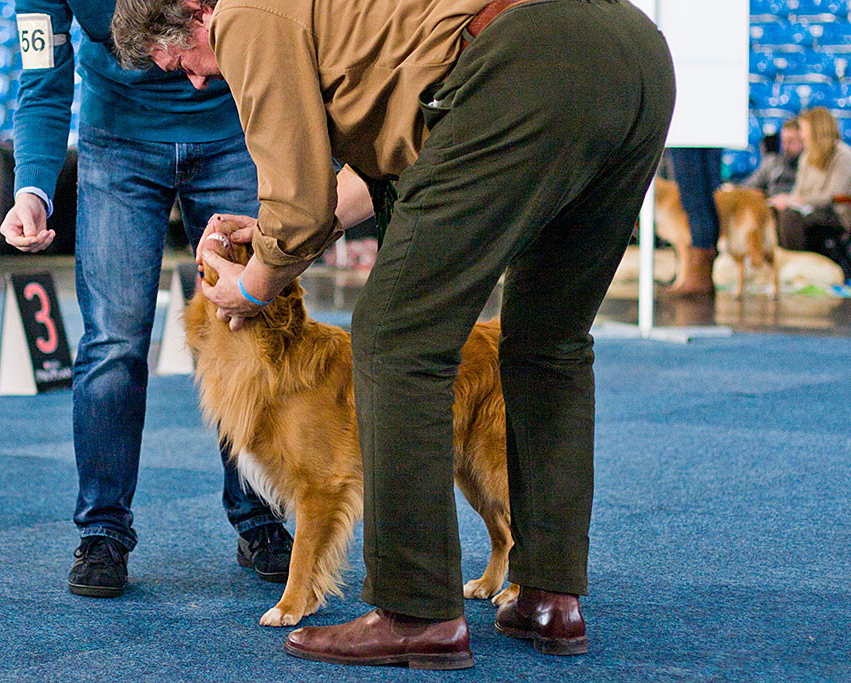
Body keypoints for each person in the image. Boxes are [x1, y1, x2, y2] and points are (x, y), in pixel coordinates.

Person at [113, 0, 675, 669]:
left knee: (391, 335)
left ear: (193, 12)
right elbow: (365, 174)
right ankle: (549, 599)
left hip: (521, 63)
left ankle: (415, 611)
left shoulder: (244, 12)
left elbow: (296, 200)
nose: (201, 81)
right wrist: (264, 243)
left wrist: (253, 283)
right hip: (631, 52)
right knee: (546, 340)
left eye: (183, 62)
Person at [0, 0, 291, 599]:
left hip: (237, 129)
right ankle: (102, 530)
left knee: (251, 328)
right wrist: (33, 188)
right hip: (116, 141)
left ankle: (260, 514)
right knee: (112, 340)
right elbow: (43, 81)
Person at [773, 107, 851, 279]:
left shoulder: (842, 156)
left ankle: (797, 267)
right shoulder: (807, 156)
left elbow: (834, 196)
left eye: (804, 131)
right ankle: (782, 267)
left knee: (790, 218)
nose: (802, 135)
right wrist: (788, 200)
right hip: (808, 210)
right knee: (781, 212)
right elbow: (798, 190)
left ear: (816, 131)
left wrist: (800, 200)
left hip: (835, 215)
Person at [665, 147, 723, 297]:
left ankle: (698, 275)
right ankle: (702, 274)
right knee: (706, 198)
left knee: (694, 199)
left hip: (689, 133)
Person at [742, 118, 802, 198]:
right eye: (784, 142)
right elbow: (750, 184)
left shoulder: (807, 166)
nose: (786, 147)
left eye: (790, 141)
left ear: (802, 141)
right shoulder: (772, 162)